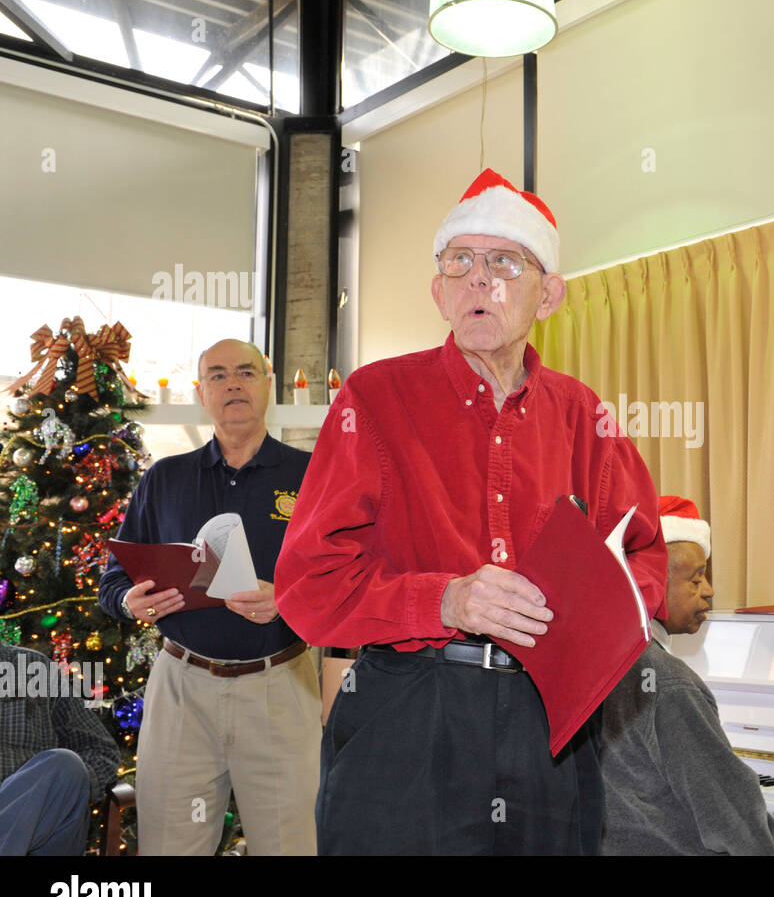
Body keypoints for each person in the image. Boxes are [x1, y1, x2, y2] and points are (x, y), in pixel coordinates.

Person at [274, 168, 667, 855]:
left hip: (551, 723)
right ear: (439, 291)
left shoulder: (585, 416)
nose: (478, 279)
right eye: (460, 262)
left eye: (504, 262)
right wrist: (446, 600)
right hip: (408, 717)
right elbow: (307, 586)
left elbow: (645, 559)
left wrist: (593, 615)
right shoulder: (374, 399)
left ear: (549, 295)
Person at [98, 339, 319, 855]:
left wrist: (287, 597)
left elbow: (345, 576)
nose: (233, 383)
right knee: (169, 846)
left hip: (280, 686)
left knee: (292, 845)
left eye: (246, 372)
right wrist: (130, 602)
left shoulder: (312, 475)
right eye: (217, 376)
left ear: (268, 384)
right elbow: (113, 583)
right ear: (203, 393)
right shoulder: (164, 479)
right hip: (181, 688)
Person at [600, 496, 774, 855]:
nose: (709, 591)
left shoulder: (600, 661)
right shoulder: (668, 683)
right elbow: (733, 818)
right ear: (648, 582)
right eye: (696, 579)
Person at [0, 643, 119, 855]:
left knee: (67, 765)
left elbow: (102, 750)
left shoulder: (33, 667)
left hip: (43, 831)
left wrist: (60, 791)